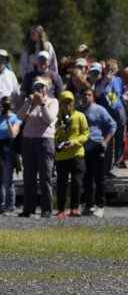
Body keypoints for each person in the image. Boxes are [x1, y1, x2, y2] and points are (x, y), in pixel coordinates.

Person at [17, 78, 58, 218]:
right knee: (28, 176)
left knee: (45, 175)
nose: (39, 89)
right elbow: (19, 117)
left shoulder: (53, 102)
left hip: (45, 140)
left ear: (47, 89)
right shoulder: (30, 103)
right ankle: (29, 208)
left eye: (42, 86)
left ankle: (47, 209)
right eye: (36, 87)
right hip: (28, 140)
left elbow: (50, 119)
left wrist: (42, 104)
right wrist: (28, 103)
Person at [54, 91, 89, 220]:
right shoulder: (56, 118)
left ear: (74, 102)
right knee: (61, 183)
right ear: (60, 103)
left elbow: (85, 134)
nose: (67, 104)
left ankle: (75, 208)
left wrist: (74, 142)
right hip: (61, 156)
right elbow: (52, 134)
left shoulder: (80, 116)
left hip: (77, 154)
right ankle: (61, 209)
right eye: (64, 102)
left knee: (77, 182)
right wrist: (59, 131)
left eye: (70, 102)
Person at [81, 87, 116, 217]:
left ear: (93, 97)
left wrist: (105, 141)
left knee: (99, 178)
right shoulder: (79, 110)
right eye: (84, 94)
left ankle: (100, 206)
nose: (86, 97)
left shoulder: (99, 109)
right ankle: (88, 205)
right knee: (87, 178)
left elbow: (113, 125)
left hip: (97, 146)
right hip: (83, 148)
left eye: (89, 94)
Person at [0, 96, 21, 214]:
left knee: (8, 180)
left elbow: (13, 135)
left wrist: (7, 120)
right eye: (3, 104)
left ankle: (10, 205)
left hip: (8, 150)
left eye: (6, 105)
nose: (5, 107)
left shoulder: (15, 118)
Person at [94, 60, 125, 177]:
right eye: (108, 69)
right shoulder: (100, 81)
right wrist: (105, 81)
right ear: (105, 70)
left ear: (116, 70)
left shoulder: (119, 80)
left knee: (118, 142)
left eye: (113, 69)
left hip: (119, 114)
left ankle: (115, 167)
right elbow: (97, 94)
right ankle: (105, 168)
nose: (110, 72)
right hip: (106, 117)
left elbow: (120, 95)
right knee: (107, 142)